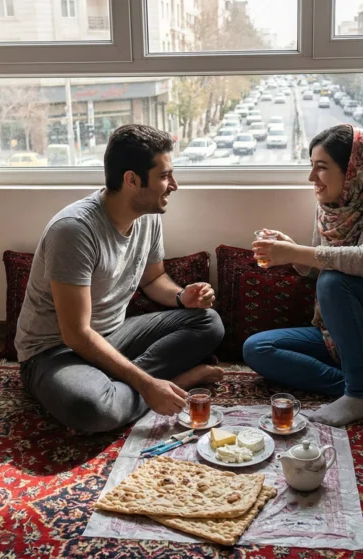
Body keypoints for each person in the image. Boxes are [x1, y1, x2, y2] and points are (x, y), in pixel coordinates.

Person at [15, 124, 225, 433]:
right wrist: (147, 384)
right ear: (131, 180)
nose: (174, 185)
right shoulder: (74, 230)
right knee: (93, 409)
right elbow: (75, 335)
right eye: (165, 176)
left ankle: (124, 385)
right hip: (53, 352)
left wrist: (183, 297)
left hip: (113, 335)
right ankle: (175, 381)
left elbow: (154, 280)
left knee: (208, 322)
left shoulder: (149, 216)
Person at [243, 125, 363, 427]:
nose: (312, 178)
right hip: (345, 338)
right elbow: (323, 269)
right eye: (311, 167)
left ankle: (359, 394)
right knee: (257, 349)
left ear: (351, 170)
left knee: (335, 280)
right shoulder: (331, 209)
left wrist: (295, 253)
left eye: (321, 168)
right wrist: (292, 250)